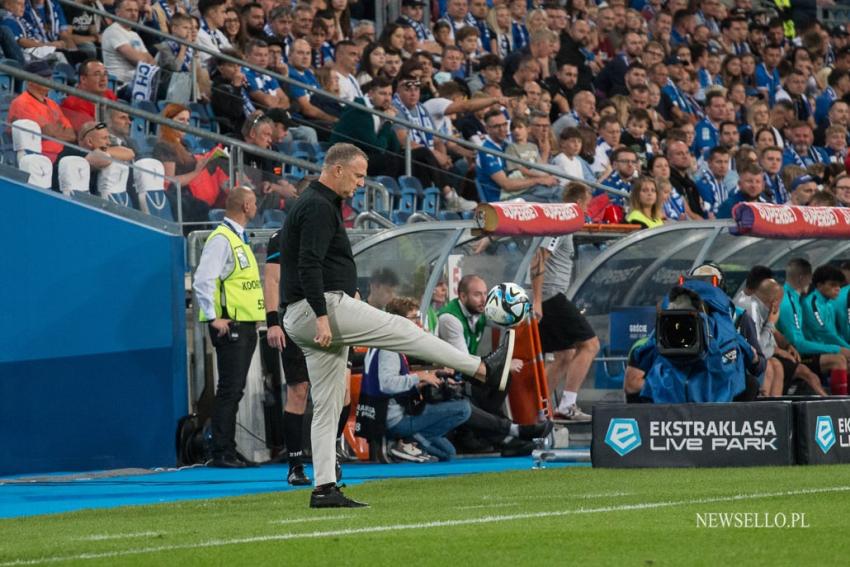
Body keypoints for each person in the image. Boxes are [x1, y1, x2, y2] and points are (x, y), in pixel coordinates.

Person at [280, 143, 513, 508]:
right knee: (404, 331)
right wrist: (322, 315)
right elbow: (308, 264)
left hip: (307, 312)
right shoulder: (318, 206)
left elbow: (317, 263)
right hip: (317, 310)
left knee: (326, 406)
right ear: (337, 169)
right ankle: (482, 368)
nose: (361, 183)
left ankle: (324, 488)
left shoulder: (313, 203)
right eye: (358, 175)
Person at [192, 187, 264, 468]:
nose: (256, 207)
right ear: (246, 205)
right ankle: (221, 451)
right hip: (229, 325)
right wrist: (213, 318)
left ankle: (228, 448)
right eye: (255, 203)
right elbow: (203, 280)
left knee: (235, 389)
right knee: (230, 389)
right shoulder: (221, 239)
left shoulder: (236, 238)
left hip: (243, 323)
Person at [363, 296, 472, 461]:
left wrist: (427, 379)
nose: (419, 324)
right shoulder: (390, 349)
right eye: (414, 319)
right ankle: (406, 441)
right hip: (394, 419)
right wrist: (419, 377)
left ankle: (404, 443)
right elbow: (387, 384)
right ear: (399, 320)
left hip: (383, 414)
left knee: (448, 452)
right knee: (464, 409)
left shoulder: (383, 341)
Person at [530, 183, 600, 420]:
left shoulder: (564, 224)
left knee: (564, 355)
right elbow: (539, 259)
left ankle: (538, 411)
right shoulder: (559, 225)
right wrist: (537, 300)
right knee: (590, 345)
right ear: (578, 203)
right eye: (587, 205)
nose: (588, 211)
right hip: (550, 296)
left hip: (552, 296)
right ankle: (567, 404)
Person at [7, 60, 75, 163]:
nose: (49, 80)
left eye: (49, 76)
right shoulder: (21, 103)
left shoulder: (52, 103)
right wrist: (58, 130)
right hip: (41, 155)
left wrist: (54, 133)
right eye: (44, 77)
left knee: (98, 158)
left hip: (60, 152)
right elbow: (46, 133)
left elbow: (71, 135)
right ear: (30, 80)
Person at [51, 120, 135, 194]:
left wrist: (103, 149)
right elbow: (105, 159)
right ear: (89, 142)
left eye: (109, 138)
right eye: (104, 138)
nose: (108, 142)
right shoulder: (70, 151)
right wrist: (108, 152)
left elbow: (130, 153)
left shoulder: (98, 150)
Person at [101, 0, 155, 87]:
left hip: (137, 83)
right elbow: (137, 60)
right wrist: (142, 56)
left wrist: (141, 57)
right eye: (129, 10)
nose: (134, 14)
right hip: (120, 85)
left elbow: (152, 63)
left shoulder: (134, 35)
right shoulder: (113, 31)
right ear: (118, 13)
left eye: (136, 10)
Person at [60, 60, 119, 133]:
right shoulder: (72, 103)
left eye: (105, 74)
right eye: (97, 74)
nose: (103, 79)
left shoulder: (109, 94)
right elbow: (91, 132)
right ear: (83, 79)